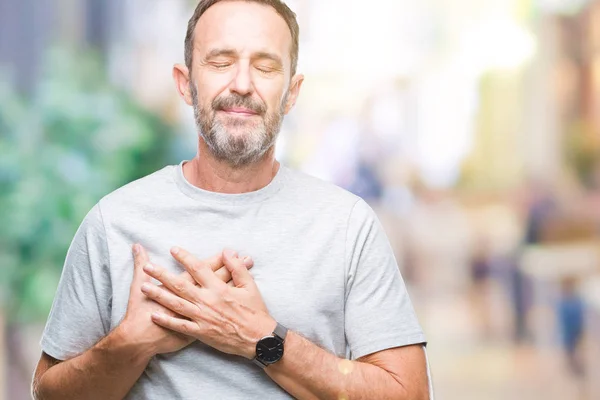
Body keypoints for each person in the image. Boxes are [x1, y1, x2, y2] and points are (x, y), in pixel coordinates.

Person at [32, 1, 430, 399]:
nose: (242, 83)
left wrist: (261, 338)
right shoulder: (112, 221)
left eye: (265, 65)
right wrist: (131, 342)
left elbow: (409, 394)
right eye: (221, 62)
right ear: (186, 83)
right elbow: (47, 394)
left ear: (291, 93)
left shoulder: (347, 226)